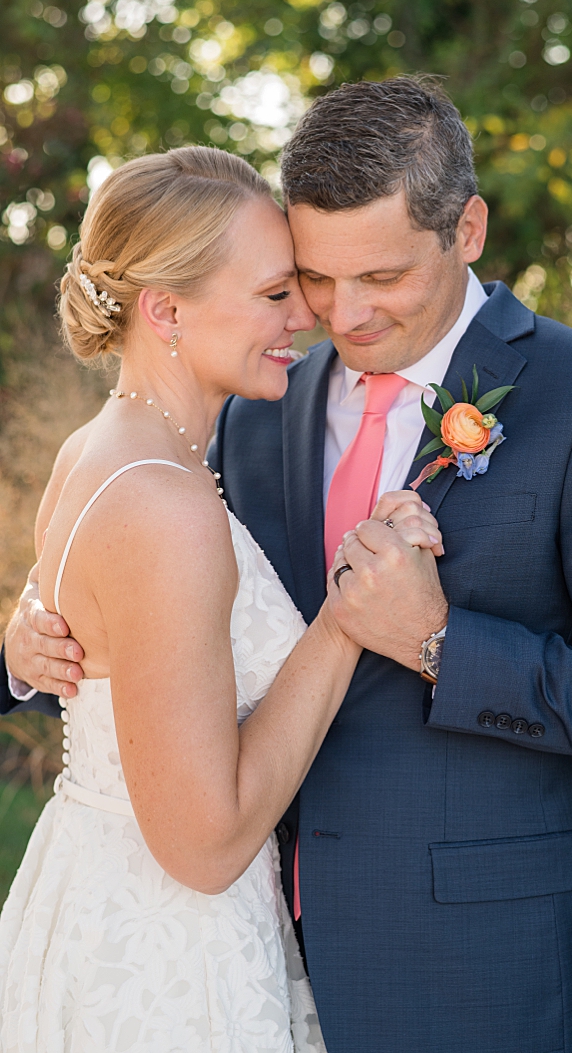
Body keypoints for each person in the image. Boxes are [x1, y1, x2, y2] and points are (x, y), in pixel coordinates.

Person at [4, 77, 572, 1052]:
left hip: (482, 970)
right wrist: (36, 646)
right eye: (311, 276)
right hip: (249, 953)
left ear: (465, 229)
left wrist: (439, 643)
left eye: (380, 277)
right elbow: (172, 640)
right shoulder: (253, 399)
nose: (341, 316)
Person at [0, 145, 445, 1050]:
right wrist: (348, 616)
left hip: (96, 901)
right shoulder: (167, 503)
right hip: (169, 960)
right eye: (274, 293)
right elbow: (204, 847)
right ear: (165, 309)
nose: (307, 317)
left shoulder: (99, 450)